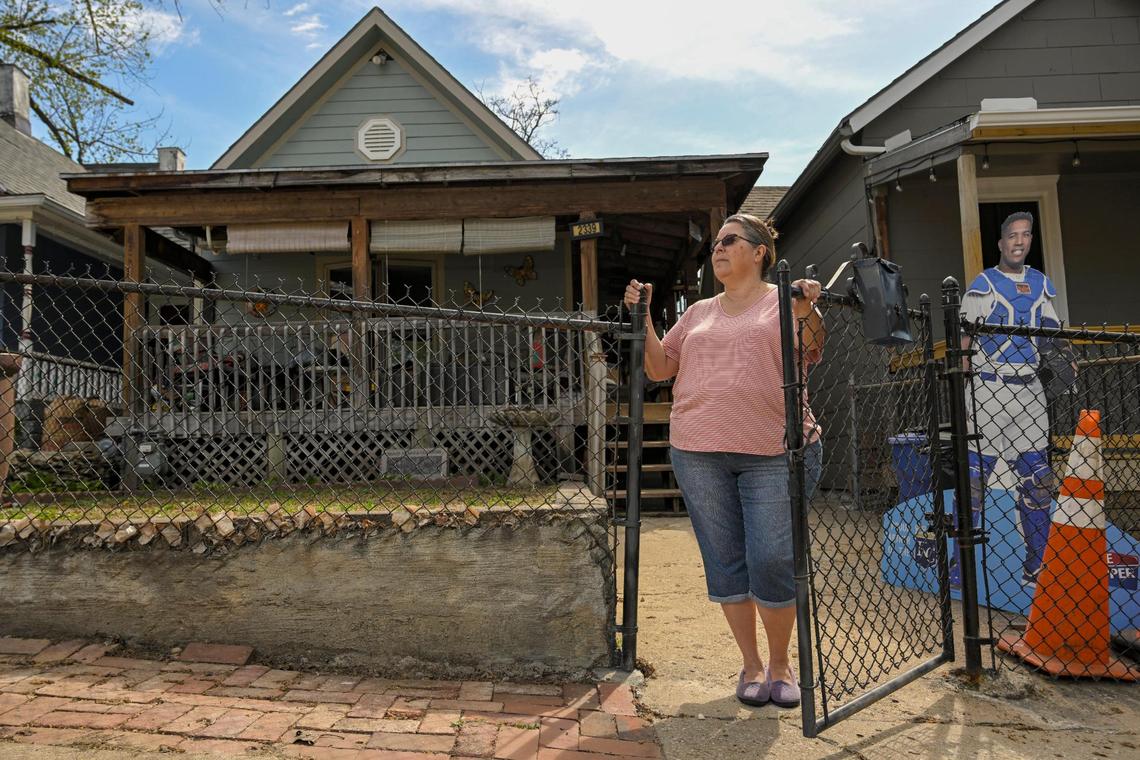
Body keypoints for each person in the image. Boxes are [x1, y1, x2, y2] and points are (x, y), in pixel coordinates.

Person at [623, 213, 823, 709]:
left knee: (772, 559)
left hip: (774, 451)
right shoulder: (697, 312)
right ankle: (752, 666)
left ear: (759, 252)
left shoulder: (785, 301)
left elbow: (815, 348)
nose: (719, 247)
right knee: (726, 561)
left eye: (730, 240)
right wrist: (645, 315)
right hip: (698, 453)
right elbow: (659, 367)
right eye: (715, 242)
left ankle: (781, 665)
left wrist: (807, 309)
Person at [960, 211, 1065, 589]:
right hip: (990, 385)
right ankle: (962, 566)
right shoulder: (983, 284)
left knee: (1038, 478)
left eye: (1025, 235)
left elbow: (1052, 335)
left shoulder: (1041, 284)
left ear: (1030, 240)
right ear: (1001, 243)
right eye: (1012, 236)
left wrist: (1062, 362)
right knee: (975, 477)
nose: (1019, 241)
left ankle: (1037, 565)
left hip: (1030, 387)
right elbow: (964, 342)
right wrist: (965, 389)